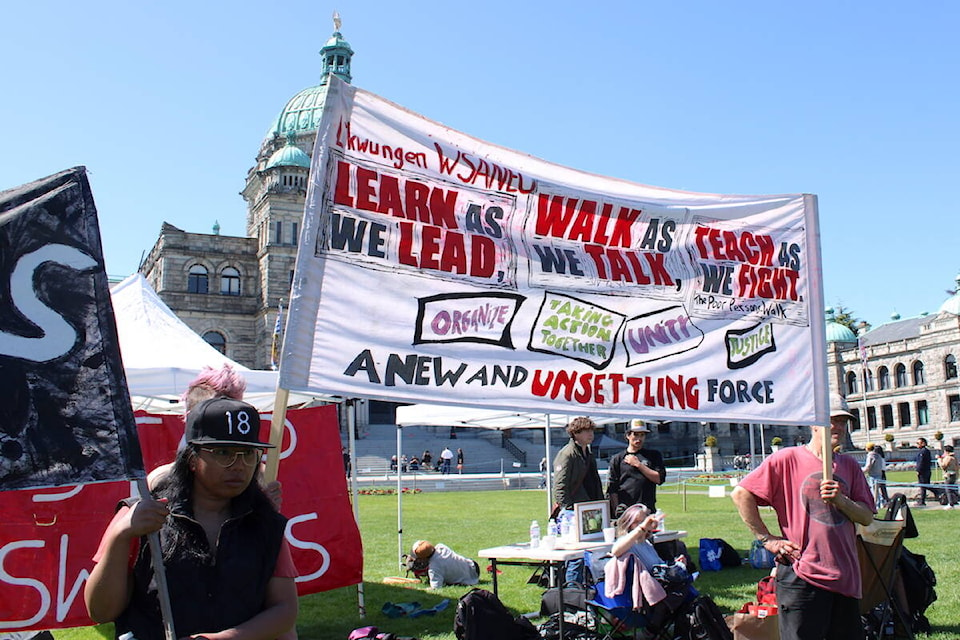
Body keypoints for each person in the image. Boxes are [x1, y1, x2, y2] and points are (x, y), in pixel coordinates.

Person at [85, 397, 298, 640]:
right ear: (192, 459)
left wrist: (220, 639)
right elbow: (101, 611)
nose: (238, 465)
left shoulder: (265, 522)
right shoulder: (142, 516)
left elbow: (285, 610)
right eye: (223, 452)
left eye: (248, 453)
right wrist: (119, 536)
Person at [731, 393, 874, 640]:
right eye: (831, 420)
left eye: (843, 421)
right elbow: (741, 493)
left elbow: (866, 516)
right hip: (802, 574)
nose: (838, 426)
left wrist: (841, 501)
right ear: (813, 423)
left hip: (846, 575)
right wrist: (766, 539)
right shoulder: (787, 459)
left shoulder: (849, 466)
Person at [553, 416, 604, 584]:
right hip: (574, 511)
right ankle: (571, 592)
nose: (590, 434)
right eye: (586, 431)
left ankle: (581, 588)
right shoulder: (567, 454)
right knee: (576, 556)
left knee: (587, 553)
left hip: (589, 509)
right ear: (575, 433)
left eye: (591, 430)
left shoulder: (586, 452)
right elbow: (559, 486)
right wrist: (568, 510)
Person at [606, 419, 667, 515]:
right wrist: (616, 510)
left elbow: (659, 479)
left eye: (642, 435)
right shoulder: (617, 459)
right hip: (626, 510)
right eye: (636, 434)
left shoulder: (653, 455)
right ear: (628, 435)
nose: (639, 438)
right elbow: (612, 488)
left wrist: (638, 465)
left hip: (647, 509)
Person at [411, 539, 480, 589]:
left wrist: (421, 589)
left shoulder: (434, 568)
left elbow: (435, 587)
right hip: (472, 564)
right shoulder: (441, 547)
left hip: (471, 578)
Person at [862, 442, 885, 508]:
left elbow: (868, 466)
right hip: (878, 474)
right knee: (877, 490)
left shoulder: (870, 455)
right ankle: (881, 503)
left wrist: (861, 471)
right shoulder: (878, 455)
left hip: (873, 475)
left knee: (874, 491)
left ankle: (877, 505)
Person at [939, 444, 959, 509]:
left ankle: (950, 504)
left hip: (949, 475)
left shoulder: (948, 458)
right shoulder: (954, 457)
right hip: (954, 474)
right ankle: (955, 501)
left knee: (948, 490)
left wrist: (939, 460)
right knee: (953, 489)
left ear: (946, 451)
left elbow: (943, 466)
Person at [915, 437, 933, 506]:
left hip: (923, 472)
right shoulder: (925, 451)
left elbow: (921, 462)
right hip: (926, 471)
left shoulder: (923, 451)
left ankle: (922, 501)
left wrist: (918, 470)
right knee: (926, 486)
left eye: (918, 443)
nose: (917, 445)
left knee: (923, 486)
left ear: (923, 443)